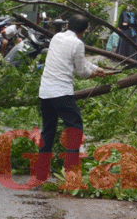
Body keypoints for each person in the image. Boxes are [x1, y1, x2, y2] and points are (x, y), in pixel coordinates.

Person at [35, 14, 108, 183]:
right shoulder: (78, 43)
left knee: (48, 131)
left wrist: (97, 68)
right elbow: (81, 71)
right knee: (74, 130)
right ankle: (72, 175)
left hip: (45, 92)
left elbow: (78, 62)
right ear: (84, 31)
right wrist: (94, 75)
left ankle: (40, 172)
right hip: (61, 93)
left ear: (67, 25)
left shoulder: (57, 37)